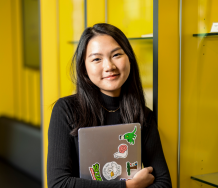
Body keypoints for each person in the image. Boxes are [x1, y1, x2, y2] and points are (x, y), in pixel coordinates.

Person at [47, 23, 172, 188]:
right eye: (97, 59)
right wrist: (130, 186)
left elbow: (163, 184)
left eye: (116, 55)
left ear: (129, 59)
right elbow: (59, 184)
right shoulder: (66, 110)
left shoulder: (142, 114)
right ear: (84, 68)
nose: (109, 67)